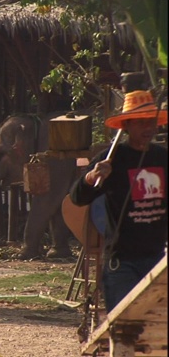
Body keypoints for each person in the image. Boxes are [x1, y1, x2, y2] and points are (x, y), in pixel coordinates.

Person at [69, 88, 167, 312]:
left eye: (151, 122)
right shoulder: (110, 160)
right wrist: (91, 177)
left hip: (157, 258)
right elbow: (77, 198)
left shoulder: (162, 158)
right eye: (141, 123)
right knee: (123, 327)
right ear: (127, 125)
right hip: (122, 262)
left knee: (156, 328)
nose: (148, 128)